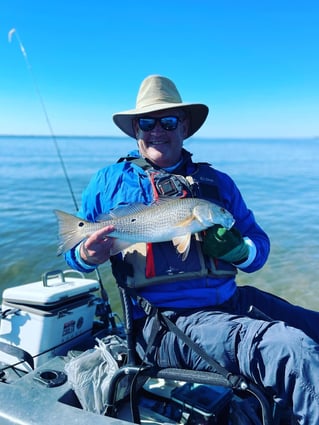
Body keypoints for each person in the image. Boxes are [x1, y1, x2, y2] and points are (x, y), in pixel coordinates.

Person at [65, 74, 319, 424]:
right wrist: (86, 255)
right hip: (165, 323)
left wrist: (239, 251)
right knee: (290, 348)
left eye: (168, 122)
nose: (158, 131)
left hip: (230, 303)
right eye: (147, 122)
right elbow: (73, 249)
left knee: (313, 326)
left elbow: (259, 248)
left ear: (183, 126)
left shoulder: (217, 183)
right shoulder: (109, 181)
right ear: (135, 129)